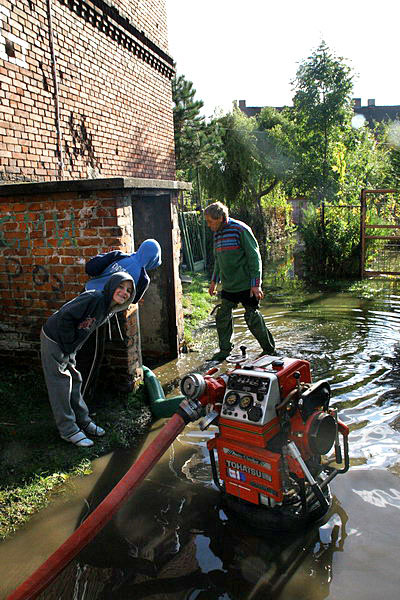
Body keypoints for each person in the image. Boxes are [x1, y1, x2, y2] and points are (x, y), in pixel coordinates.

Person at [40, 272, 135, 447]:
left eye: (128, 290)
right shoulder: (94, 298)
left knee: (75, 380)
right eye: (120, 287)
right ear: (111, 286)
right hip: (55, 338)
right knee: (60, 384)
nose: (124, 292)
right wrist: (68, 345)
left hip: (69, 345)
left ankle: (83, 420)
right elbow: (65, 316)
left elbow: (86, 329)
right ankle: (68, 430)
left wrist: (72, 349)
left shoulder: (109, 309)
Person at [77, 239, 162, 399]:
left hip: (82, 298)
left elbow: (90, 268)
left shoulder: (119, 256)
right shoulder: (143, 279)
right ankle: (83, 397)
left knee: (74, 345)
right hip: (99, 310)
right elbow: (132, 300)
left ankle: (66, 390)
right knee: (92, 353)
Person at [204, 201, 275, 361]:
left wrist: (256, 284)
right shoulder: (217, 234)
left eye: (210, 221)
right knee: (222, 315)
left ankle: (269, 350)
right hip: (229, 285)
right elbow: (218, 259)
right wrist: (214, 281)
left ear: (221, 218)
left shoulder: (240, 230)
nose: (209, 225)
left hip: (246, 285)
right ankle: (224, 350)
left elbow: (254, 257)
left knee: (252, 317)